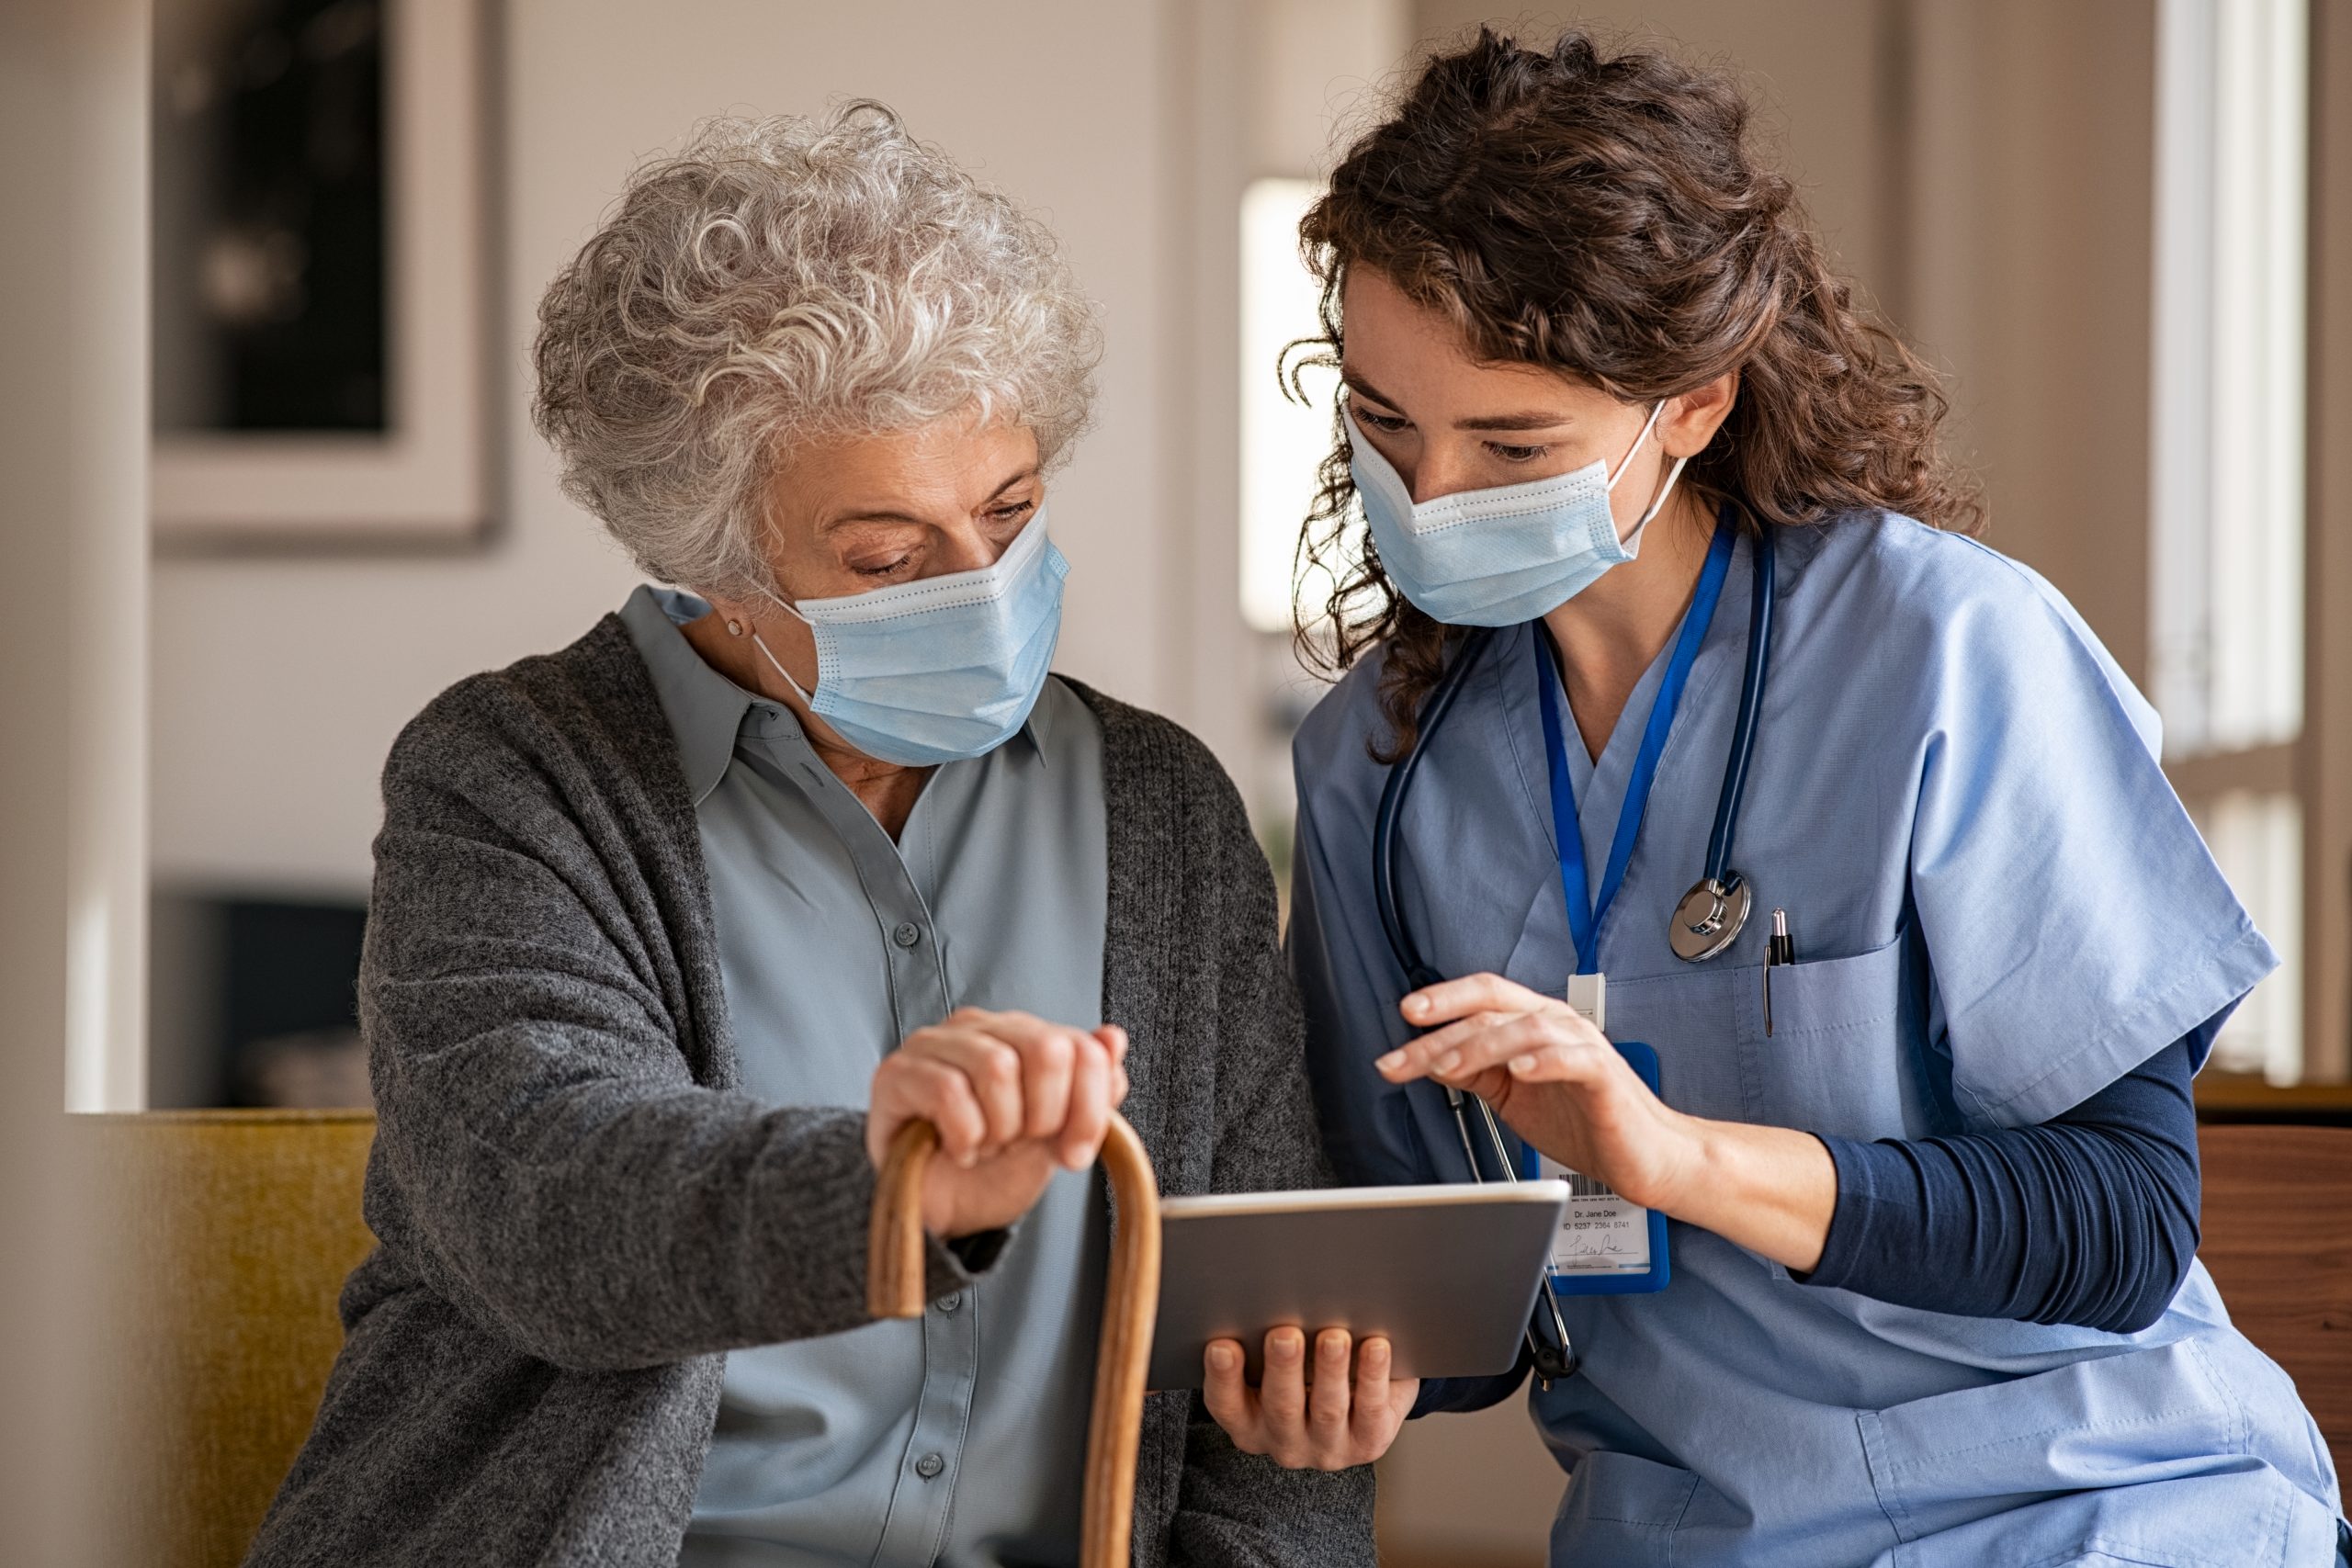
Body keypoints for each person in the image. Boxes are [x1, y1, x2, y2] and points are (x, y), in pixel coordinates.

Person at [1264, 28, 2347, 1568]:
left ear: (1691, 405)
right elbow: (1461, 1314)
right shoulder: (1379, 763)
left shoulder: (1948, 651)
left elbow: (2118, 1219)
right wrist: (1345, 1379)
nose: (1430, 498)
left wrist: (1670, 1155)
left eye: (1512, 445)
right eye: (1384, 424)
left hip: (2097, 1505)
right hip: (1698, 1533)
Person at [243, 106, 1374, 1568]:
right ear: (706, 561)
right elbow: (541, 1198)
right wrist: (891, 1189)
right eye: (890, 557)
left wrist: (1308, 1414)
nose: (983, 587)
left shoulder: (1160, 806)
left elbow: (1258, 1319)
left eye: (1012, 510)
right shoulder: (512, 778)